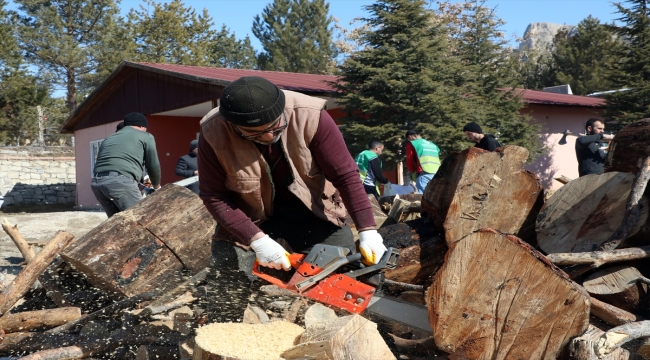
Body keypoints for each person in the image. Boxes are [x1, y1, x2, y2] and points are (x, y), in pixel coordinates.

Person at [197, 76, 387, 276]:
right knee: (229, 281)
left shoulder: (310, 115)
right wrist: (256, 240)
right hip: (250, 217)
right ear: (234, 126)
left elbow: (346, 176)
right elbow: (214, 196)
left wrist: (367, 229)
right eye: (255, 134)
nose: (269, 137)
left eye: (275, 127)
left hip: (315, 211)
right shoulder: (214, 131)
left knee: (343, 277)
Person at [91, 112, 161, 217]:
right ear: (142, 126)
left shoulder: (109, 139)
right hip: (120, 183)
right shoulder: (145, 136)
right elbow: (153, 165)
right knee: (140, 219)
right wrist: (157, 187)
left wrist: (144, 188)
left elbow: (117, 171)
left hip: (98, 184)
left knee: (117, 225)